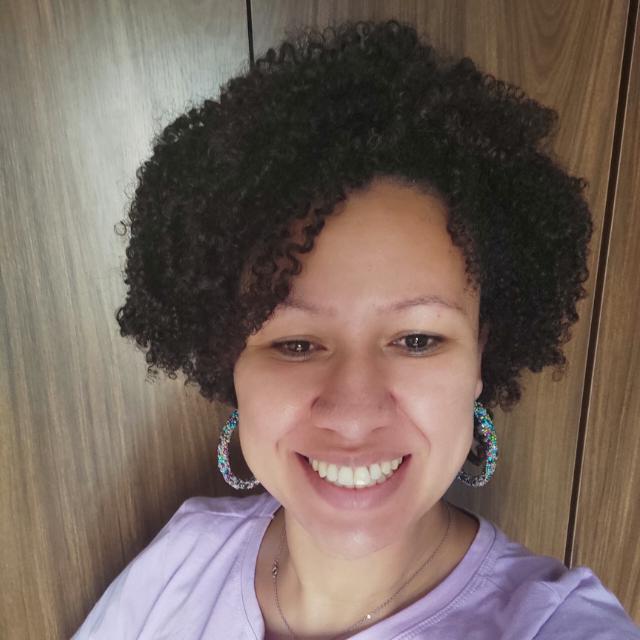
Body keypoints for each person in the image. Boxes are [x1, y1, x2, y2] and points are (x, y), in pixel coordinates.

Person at [73, 19, 640, 640]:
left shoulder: (554, 626)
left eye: (417, 340)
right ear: (228, 360)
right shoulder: (180, 561)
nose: (352, 415)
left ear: (481, 356)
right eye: (295, 344)